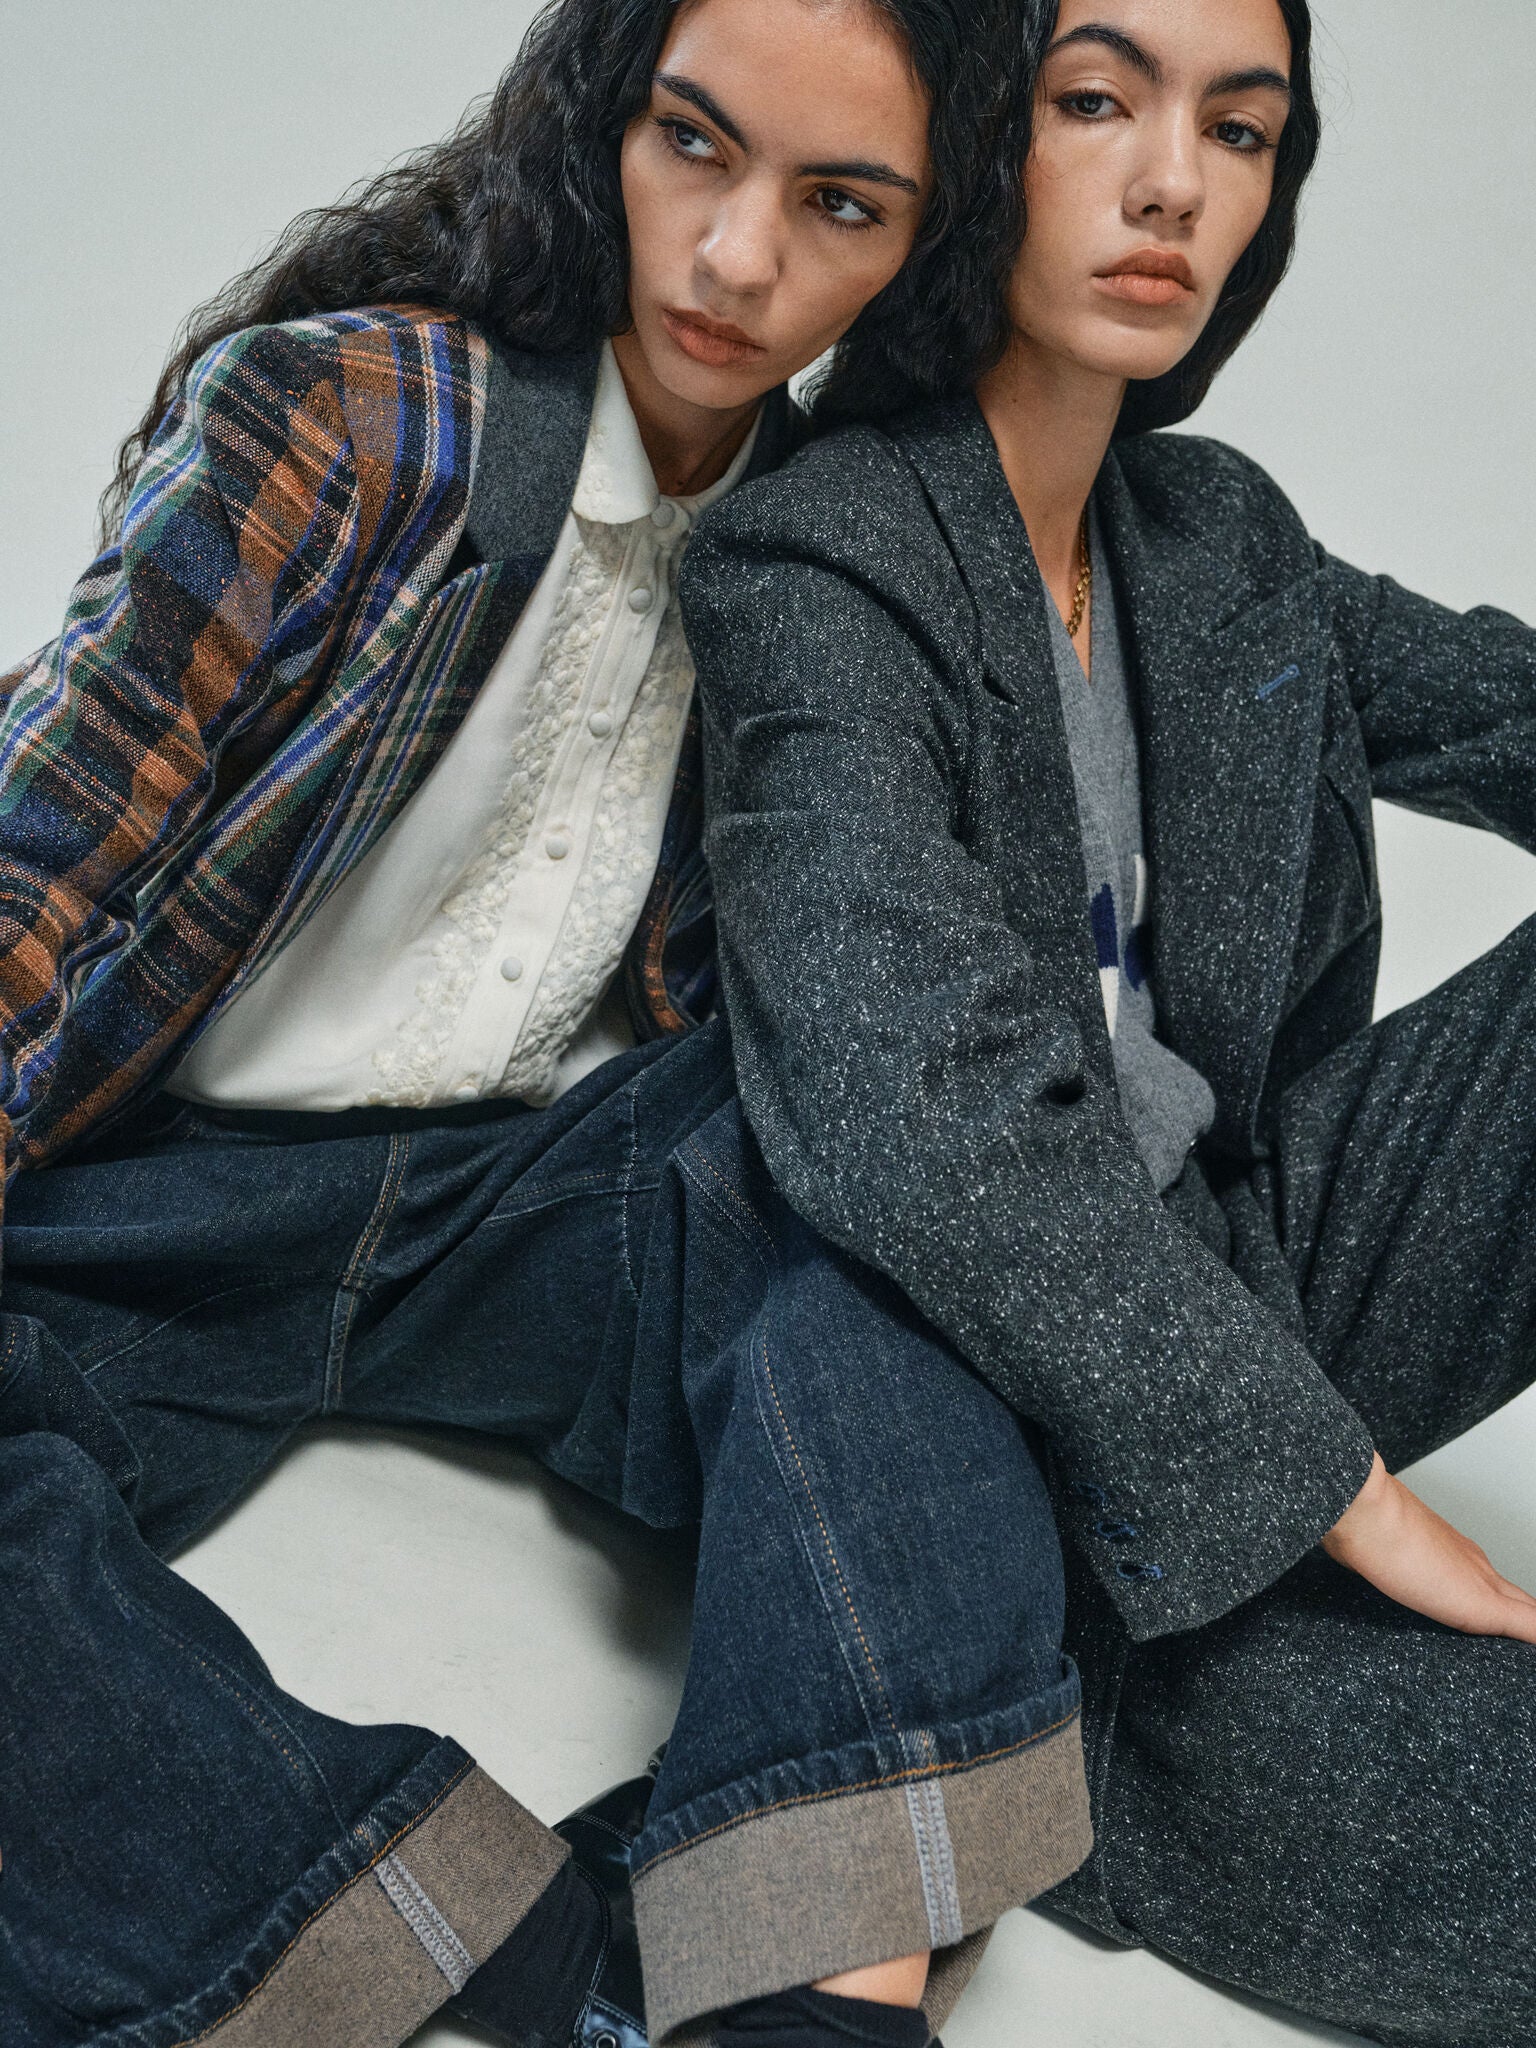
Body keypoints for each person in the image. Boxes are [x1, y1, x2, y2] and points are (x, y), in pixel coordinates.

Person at [0, 4, 1094, 2047]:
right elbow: (35, 861)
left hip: (532, 1195)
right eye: (694, 144)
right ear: (603, 116)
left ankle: (808, 1983)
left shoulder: (838, 547)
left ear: (923, 253)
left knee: (897, 1209)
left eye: (840, 204)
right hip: (162, 1196)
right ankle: (497, 1961)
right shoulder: (346, 415)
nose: (736, 257)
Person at [681, 1, 1536, 2043]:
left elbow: (1502, 703)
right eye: (1097, 102)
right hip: (988, 1387)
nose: (1174, 185)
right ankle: (1048, 1732)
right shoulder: (814, 556)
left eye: (1240, 131)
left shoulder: (1216, 530)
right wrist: (1340, 1490)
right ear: (978, 132)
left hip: (1253, 1261)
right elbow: (917, 1108)